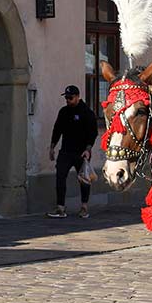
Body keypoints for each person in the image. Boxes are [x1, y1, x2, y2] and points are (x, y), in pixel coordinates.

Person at [48, 85, 98, 219]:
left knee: (84, 179)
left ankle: (84, 207)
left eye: (70, 98)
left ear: (77, 97)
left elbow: (93, 133)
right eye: (66, 98)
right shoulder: (64, 112)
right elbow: (57, 129)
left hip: (82, 152)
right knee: (60, 176)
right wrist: (52, 147)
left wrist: (88, 149)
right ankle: (60, 208)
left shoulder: (87, 112)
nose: (67, 100)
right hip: (65, 151)